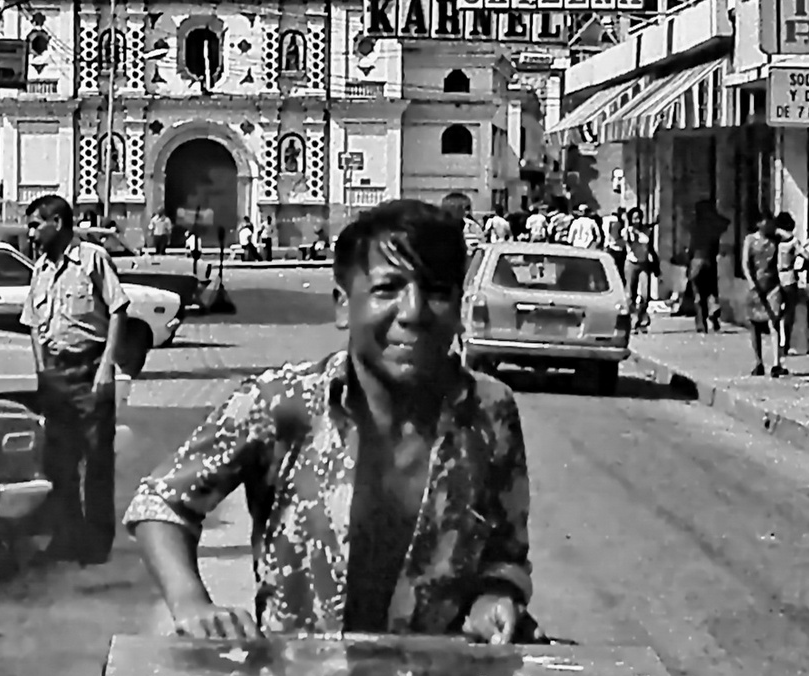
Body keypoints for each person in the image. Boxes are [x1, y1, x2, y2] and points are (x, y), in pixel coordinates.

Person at [125, 199, 541, 644]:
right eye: (387, 289)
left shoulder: (489, 410)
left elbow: (505, 548)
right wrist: (192, 604)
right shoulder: (284, 403)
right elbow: (162, 502)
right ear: (344, 305)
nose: (414, 312)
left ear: (459, 304)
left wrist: (495, 596)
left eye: (437, 291)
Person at [21, 194, 130, 565]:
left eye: (36, 224)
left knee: (96, 459)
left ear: (57, 223)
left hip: (89, 369)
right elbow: (34, 324)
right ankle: (67, 536)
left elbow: (118, 310)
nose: (31, 232)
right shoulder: (41, 268)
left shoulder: (92, 259)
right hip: (55, 374)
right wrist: (42, 369)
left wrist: (106, 366)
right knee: (59, 463)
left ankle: (97, 542)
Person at [741, 209, 785, 378]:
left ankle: (776, 363)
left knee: (774, 322)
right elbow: (745, 263)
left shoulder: (775, 239)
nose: (769, 224)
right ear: (759, 223)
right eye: (767, 221)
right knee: (755, 326)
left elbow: (791, 238)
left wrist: (779, 230)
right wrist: (751, 282)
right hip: (756, 286)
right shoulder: (750, 240)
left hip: (772, 286)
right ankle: (758, 362)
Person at [687, 200, 729, 335]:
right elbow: (726, 222)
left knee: (698, 294)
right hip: (710, 261)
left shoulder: (694, 225)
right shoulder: (714, 227)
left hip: (696, 261)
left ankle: (701, 324)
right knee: (711, 290)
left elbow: (691, 248)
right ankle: (713, 313)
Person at [775, 211, 806, 356]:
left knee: (775, 313)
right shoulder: (793, 241)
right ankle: (785, 343)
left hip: (774, 277)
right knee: (789, 313)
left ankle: (777, 342)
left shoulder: (773, 239)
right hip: (789, 277)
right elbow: (805, 255)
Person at [623, 207, 656, 333]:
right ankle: (632, 319)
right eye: (634, 218)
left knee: (645, 294)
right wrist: (630, 229)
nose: (637, 220)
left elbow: (649, 245)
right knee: (630, 294)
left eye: (639, 218)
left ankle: (642, 318)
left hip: (644, 264)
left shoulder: (646, 231)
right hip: (631, 263)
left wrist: (655, 264)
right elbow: (630, 241)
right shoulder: (627, 231)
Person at [603, 207, 627, 278]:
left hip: (616, 249)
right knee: (618, 272)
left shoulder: (617, 223)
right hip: (617, 250)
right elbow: (614, 238)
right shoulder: (618, 224)